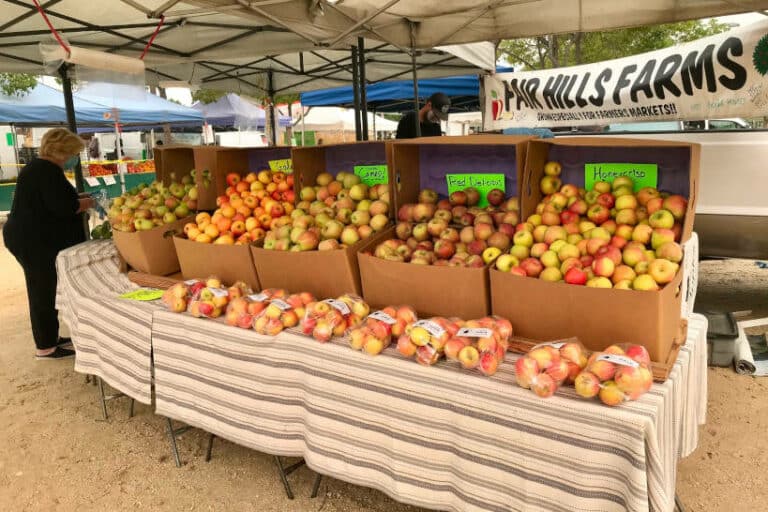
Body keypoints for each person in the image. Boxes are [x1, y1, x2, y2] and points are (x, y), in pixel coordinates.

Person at [3, 128, 94, 359]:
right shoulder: (46, 171)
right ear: (62, 151)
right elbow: (63, 207)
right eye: (74, 153)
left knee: (44, 287)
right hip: (33, 241)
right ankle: (45, 346)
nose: (75, 158)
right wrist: (87, 203)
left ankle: (50, 338)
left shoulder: (39, 168)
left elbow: (55, 201)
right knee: (42, 290)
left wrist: (80, 199)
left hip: (28, 237)